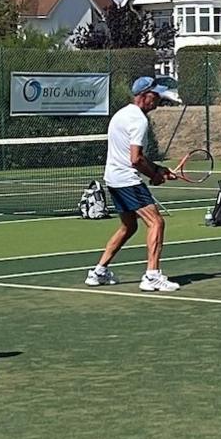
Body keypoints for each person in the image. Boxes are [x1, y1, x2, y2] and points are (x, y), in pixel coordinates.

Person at [84, 75, 185, 292]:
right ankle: (152, 276)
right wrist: (154, 176)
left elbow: (132, 156)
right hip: (127, 181)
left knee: (129, 226)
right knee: (157, 223)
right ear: (143, 96)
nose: (158, 101)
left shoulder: (121, 114)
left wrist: (158, 169)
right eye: (155, 96)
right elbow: (135, 159)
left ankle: (99, 272)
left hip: (113, 179)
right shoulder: (139, 120)